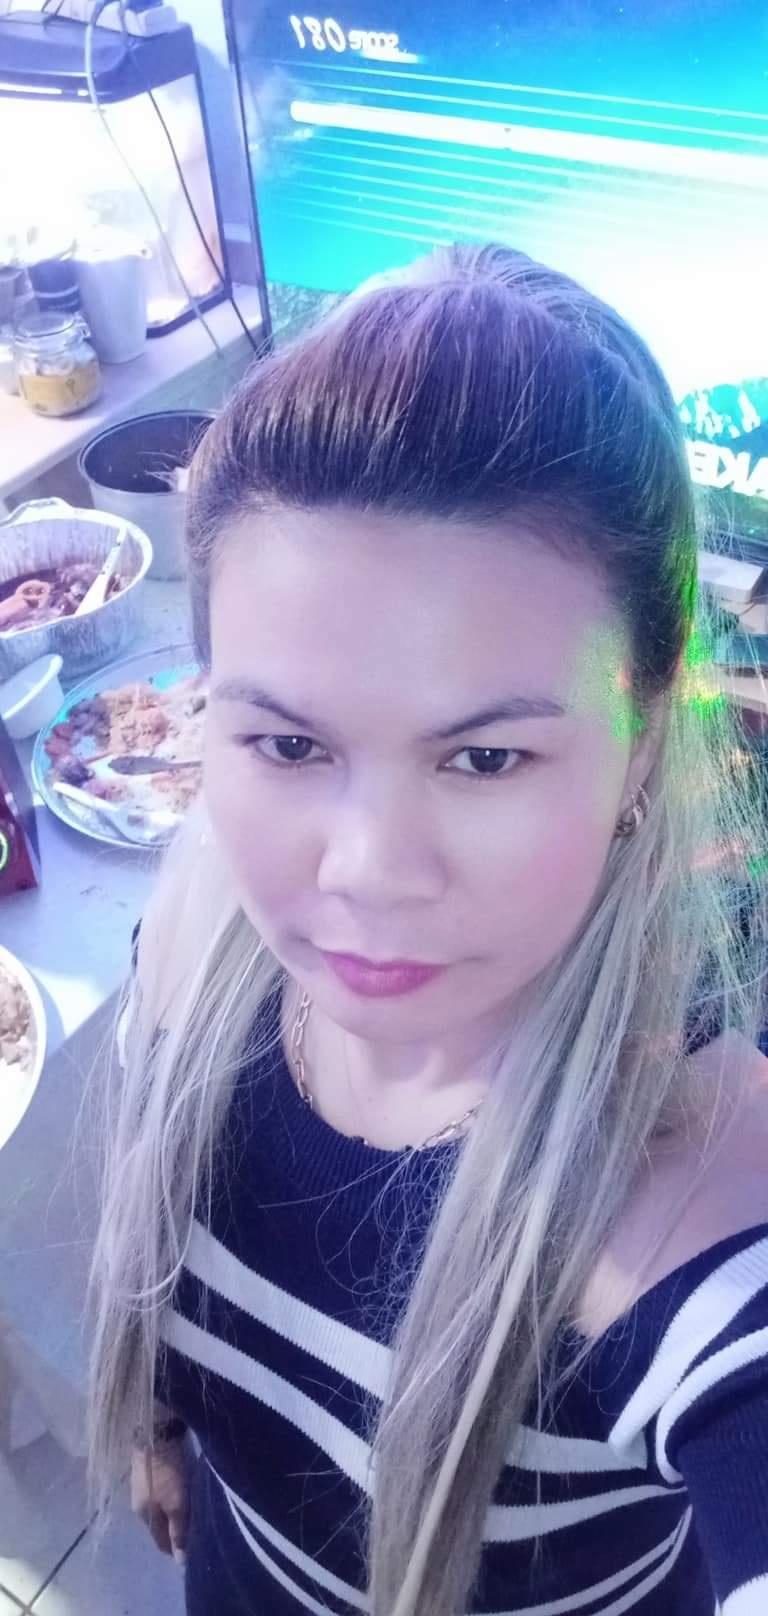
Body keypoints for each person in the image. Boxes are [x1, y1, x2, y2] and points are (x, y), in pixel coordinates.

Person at [88, 244, 768, 1616]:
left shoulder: (695, 1185)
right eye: (289, 742)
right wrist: (163, 1408)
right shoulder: (208, 900)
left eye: (485, 758)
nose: (366, 875)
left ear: (642, 746)